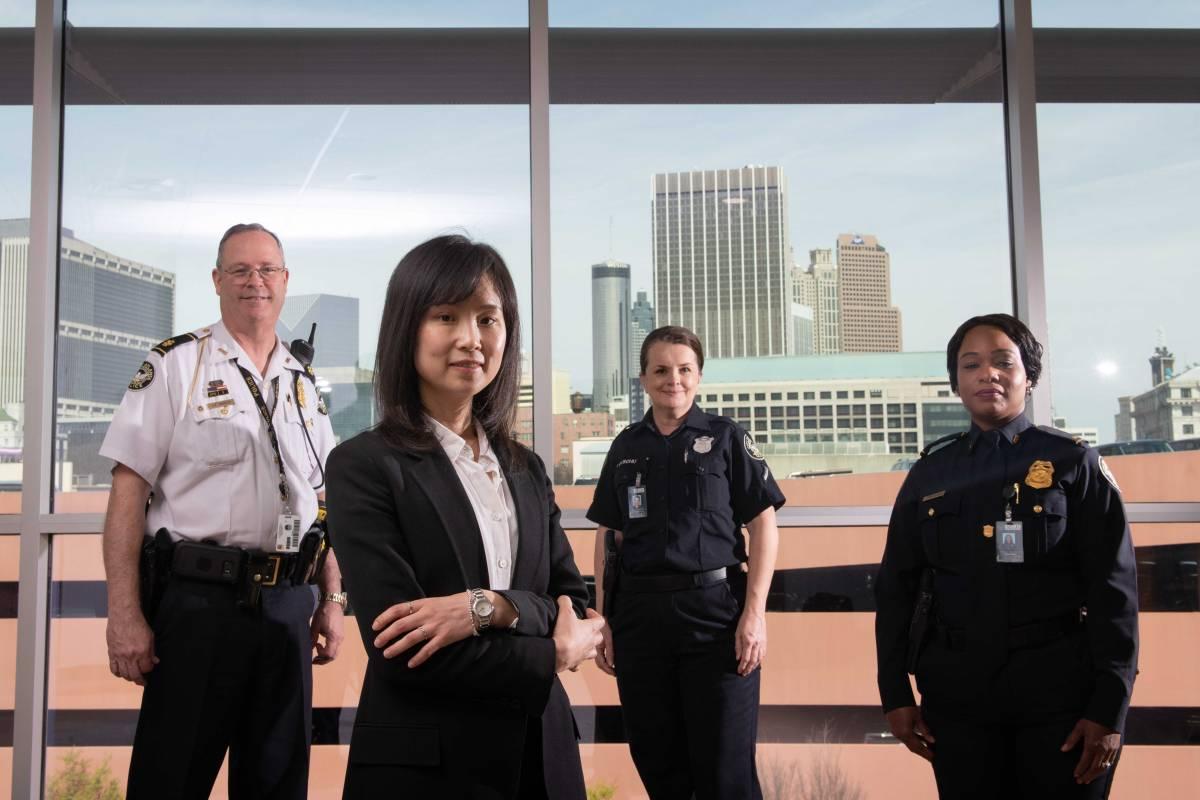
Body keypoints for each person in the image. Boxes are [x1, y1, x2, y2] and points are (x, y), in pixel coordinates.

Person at [325, 234, 604, 800]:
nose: (469, 339)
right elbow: (403, 647)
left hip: (542, 763)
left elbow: (577, 604)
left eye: (487, 319)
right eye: (446, 316)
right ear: (407, 329)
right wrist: (549, 649)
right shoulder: (363, 466)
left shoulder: (525, 467)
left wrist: (488, 608)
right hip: (429, 770)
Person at [100, 222, 345, 799]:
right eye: (239, 270)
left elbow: (325, 504)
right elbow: (127, 494)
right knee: (171, 781)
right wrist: (123, 615)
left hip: (290, 608)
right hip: (200, 607)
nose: (254, 281)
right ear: (216, 280)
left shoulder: (305, 383)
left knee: (277, 786)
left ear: (285, 281)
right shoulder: (175, 366)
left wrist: (332, 599)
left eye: (267, 270)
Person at [874, 313, 1139, 799]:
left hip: (1060, 692)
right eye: (970, 364)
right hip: (958, 697)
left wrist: (1109, 708)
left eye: (1002, 362)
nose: (986, 373)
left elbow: (1114, 591)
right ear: (956, 382)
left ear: (1028, 376)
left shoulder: (1074, 463)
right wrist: (894, 693)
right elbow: (896, 587)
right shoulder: (931, 473)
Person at [587, 325, 784, 800]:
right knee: (658, 763)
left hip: (715, 617)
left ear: (698, 377)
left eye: (683, 369)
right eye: (660, 370)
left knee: (726, 771)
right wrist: (603, 618)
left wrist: (754, 614)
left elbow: (763, 526)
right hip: (639, 620)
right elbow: (608, 538)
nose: (672, 379)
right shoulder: (626, 446)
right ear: (643, 379)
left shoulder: (726, 438)